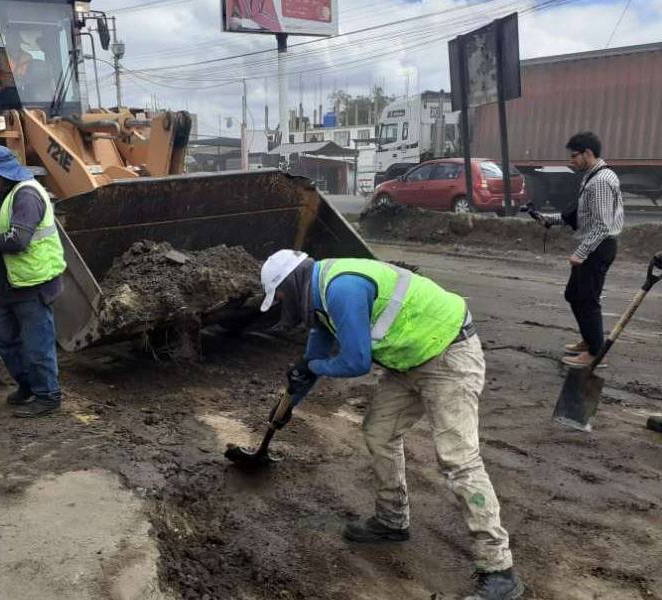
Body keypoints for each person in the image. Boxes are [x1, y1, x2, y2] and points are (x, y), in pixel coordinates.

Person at [259, 250, 523, 600]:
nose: (281, 303)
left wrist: (314, 367)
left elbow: (356, 361)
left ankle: (499, 570)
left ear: (293, 284)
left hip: (449, 353)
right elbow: (312, 360)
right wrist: (289, 405)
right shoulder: (320, 300)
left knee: (458, 460)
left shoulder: (341, 289)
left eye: (280, 296)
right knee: (379, 431)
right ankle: (392, 520)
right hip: (409, 360)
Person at [0, 145, 66, 418]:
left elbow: (18, 241)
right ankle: (29, 385)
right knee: (4, 338)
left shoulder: (27, 195)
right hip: (12, 285)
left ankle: (48, 395)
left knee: (37, 346)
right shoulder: (5, 194)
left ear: (1, 172)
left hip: (34, 284)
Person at [531, 131, 623, 368]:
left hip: (598, 248)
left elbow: (602, 225)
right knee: (574, 294)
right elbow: (580, 215)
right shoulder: (592, 176)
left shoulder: (600, 181)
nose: (571, 161)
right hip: (594, 245)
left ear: (587, 153)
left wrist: (580, 254)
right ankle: (590, 339)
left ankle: (596, 353)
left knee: (587, 299)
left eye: (574, 156)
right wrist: (549, 219)